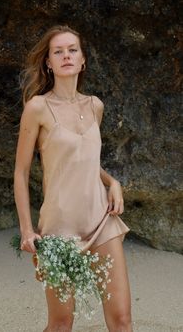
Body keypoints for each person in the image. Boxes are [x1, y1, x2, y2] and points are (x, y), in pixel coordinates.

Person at [14, 25, 132, 332]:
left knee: (122, 320)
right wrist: (27, 230)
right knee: (61, 322)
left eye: (72, 50)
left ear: (83, 61)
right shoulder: (37, 108)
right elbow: (21, 172)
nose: (66, 55)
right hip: (59, 228)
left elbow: (85, 160)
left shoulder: (96, 106)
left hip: (100, 220)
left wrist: (112, 182)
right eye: (58, 51)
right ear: (48, 63)